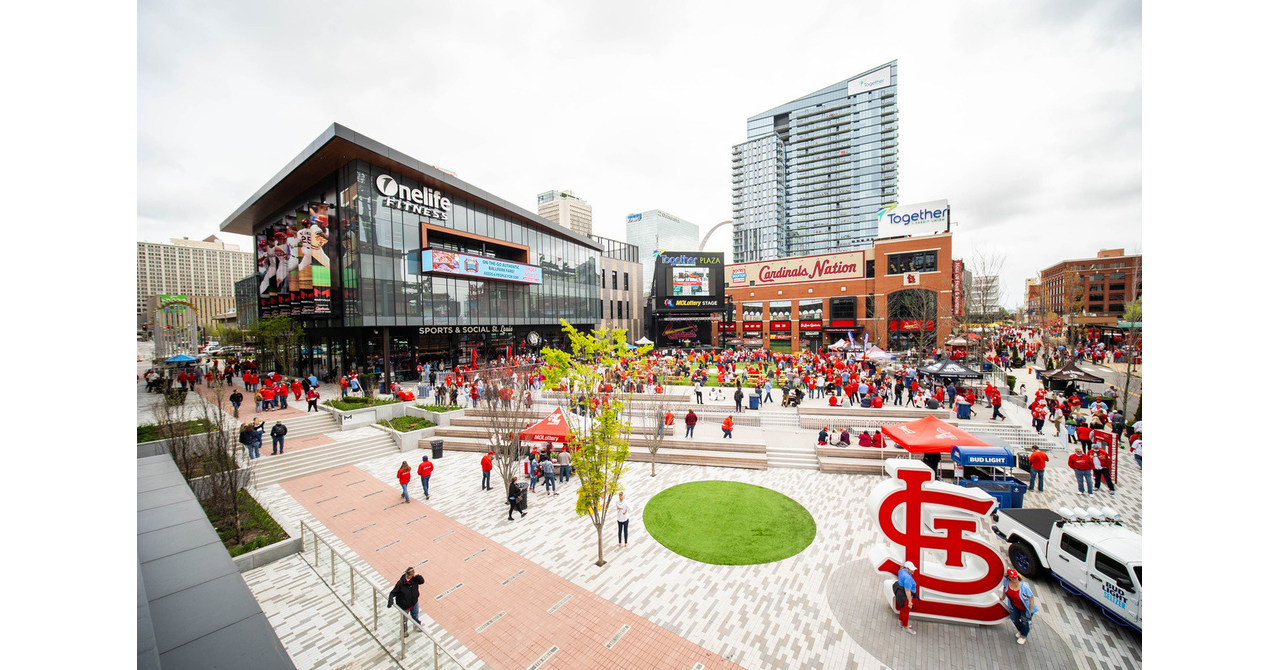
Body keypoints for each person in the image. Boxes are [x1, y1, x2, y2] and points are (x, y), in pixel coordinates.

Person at [1002, 569, 1039, 645]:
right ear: (1008, 577)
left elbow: (1031, 599)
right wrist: (1002, 597)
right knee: (1014, 618)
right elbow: (1004, 588)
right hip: (1014, 605)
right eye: (1011, 577)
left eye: (1015, 577)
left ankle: (1023, 636)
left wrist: (1029, 611)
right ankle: (1021, 630)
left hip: (1025, 608)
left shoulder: (1024, 587)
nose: (1014, 579)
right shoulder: (1006, 582)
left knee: (1025, 622)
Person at [387, 566, 425, 632]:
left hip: (414, 603)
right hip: (405, 606)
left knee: (415, 616)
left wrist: (417, 575)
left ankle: (417, 626)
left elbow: (422, 581)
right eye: (410, 575)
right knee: (404, 620)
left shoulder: (415, 579)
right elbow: (393, 593)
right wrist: (390, 600)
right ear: (406, 574)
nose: (411, 576)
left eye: (412, 574)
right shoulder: (400, 583)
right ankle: (404, 631)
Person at [894, 560, 918, 635]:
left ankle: (900, 622)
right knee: (906, 612)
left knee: (903, 610)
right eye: (911, 569)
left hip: (901, 595)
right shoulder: (908, 578)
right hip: (906, 597)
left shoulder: (901, 571)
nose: (913, 571)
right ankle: (905, 627)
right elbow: (907, 591)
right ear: (907, 568)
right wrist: (910, 602)